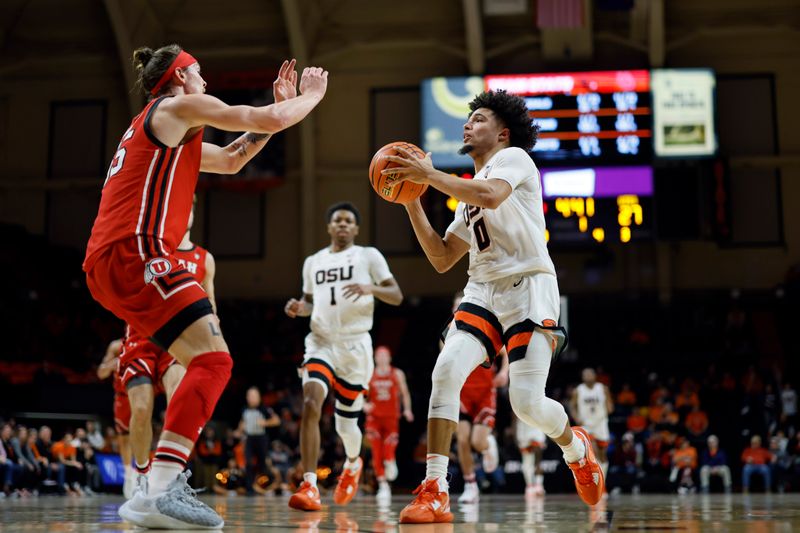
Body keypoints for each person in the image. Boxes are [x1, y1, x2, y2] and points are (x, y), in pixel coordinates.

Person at [84, 42, 327, 529]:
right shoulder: (174, 106)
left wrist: (274, 112)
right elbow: (263, 120)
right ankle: (158, 490)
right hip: (137, 251)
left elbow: (236, 158)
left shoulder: (170, 134)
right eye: (199, 73)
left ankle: (152, 491)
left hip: (115, 259)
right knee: (214, 361)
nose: (205, 82)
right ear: (178, 78)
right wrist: (309, 98)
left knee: (208, 361)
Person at [384, 89, 603, 524]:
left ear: (502, 133)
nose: (467, 125)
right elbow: (443, 257)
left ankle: (577, 450)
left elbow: (490, 196)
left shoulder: (515, 159)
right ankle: (435, 488)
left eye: (478, 119)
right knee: (444, 371)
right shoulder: (464, 197)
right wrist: (412, 202)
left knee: (525, 403)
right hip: (482, 290)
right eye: (468, 119)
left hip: (529, 286)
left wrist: (428, 175)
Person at [284, 202, 403, 511]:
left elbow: (397, 295)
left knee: (345, 426)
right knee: (311, 403)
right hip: (321, 342)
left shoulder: (368, 256)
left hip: (355, 346)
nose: (342, 225)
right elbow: (309, 301)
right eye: (337, 220)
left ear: (356, 229)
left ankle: (353, 463)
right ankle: (309, 484)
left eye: (349, 221)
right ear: (329, 227)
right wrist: (299, 308)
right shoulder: (313, 262)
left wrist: (371, 287)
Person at [117, 200, 215, 496]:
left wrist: (214, 338)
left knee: (179, 401)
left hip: (178, 342)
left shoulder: (204, 259)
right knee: (142, 408)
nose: (184, 212)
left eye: (189, 208)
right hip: (142, 338)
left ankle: (168, 474)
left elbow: (209, 304)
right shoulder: (150, 248)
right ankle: (141, 473)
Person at [444, 292, 508, 504]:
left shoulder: (486, 327)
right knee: (462, 440)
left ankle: (488, 445)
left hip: (484, 392)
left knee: (477, 442)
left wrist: (503, 372)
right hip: (462, 392)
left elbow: (505, 352)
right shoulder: (448, 334)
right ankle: (471, 485)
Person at [363, 345, 413, 501]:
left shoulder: (397, 374)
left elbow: (405, 393)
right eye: (380, 355)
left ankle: (390, 460)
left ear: (389, 358)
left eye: (385, 355)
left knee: (389, 448)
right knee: (377, 452)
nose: (382, 358)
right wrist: (364, 404)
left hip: (391, 417)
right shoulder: (369, 374)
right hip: (374, 418)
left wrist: (407, 410)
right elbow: (360, 393)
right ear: (375, 358)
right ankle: (383, 485)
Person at [97, 338, 136, 498]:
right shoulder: (115, 346)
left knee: (142, 434)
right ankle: (128, 475)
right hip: (122, 396)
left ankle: (141, 472)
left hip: (142, 392)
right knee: (124, 438)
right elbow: (101, 373)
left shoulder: (149, 340)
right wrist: (114, 363)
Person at [570, 368, 614, 483]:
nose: (588, 376)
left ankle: (602, 482)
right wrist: (576, 417)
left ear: (595, 376)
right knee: (593, 451)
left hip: (600, 424)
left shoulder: (603, 389)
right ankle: (597, 482)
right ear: (582, 377)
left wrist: (608, 408)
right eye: (586, 375)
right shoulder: (578, 391)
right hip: (587, 425)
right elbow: (572, 405)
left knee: (603, 456)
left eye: (590, 374)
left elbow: (610, 407)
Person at [238, 387, 280, 494]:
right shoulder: (244, 409)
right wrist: (240, 429)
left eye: (253, 396)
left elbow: (276, 420)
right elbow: (242, 422)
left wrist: (265, 423)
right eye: (249, 396)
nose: (251, 398)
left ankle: (264, 486)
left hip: (261, 438)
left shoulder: (264, 409)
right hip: (249, 438)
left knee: (263, 464)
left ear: (258, 397)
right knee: (248, 463)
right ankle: (249, 488)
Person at [516, 415, 547, 499]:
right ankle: (530, 486)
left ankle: (538, 485)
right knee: (527, 463)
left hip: (535, 433)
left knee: (537, 461)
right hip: (524, 434)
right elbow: (515, 420)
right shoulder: (518, 405)